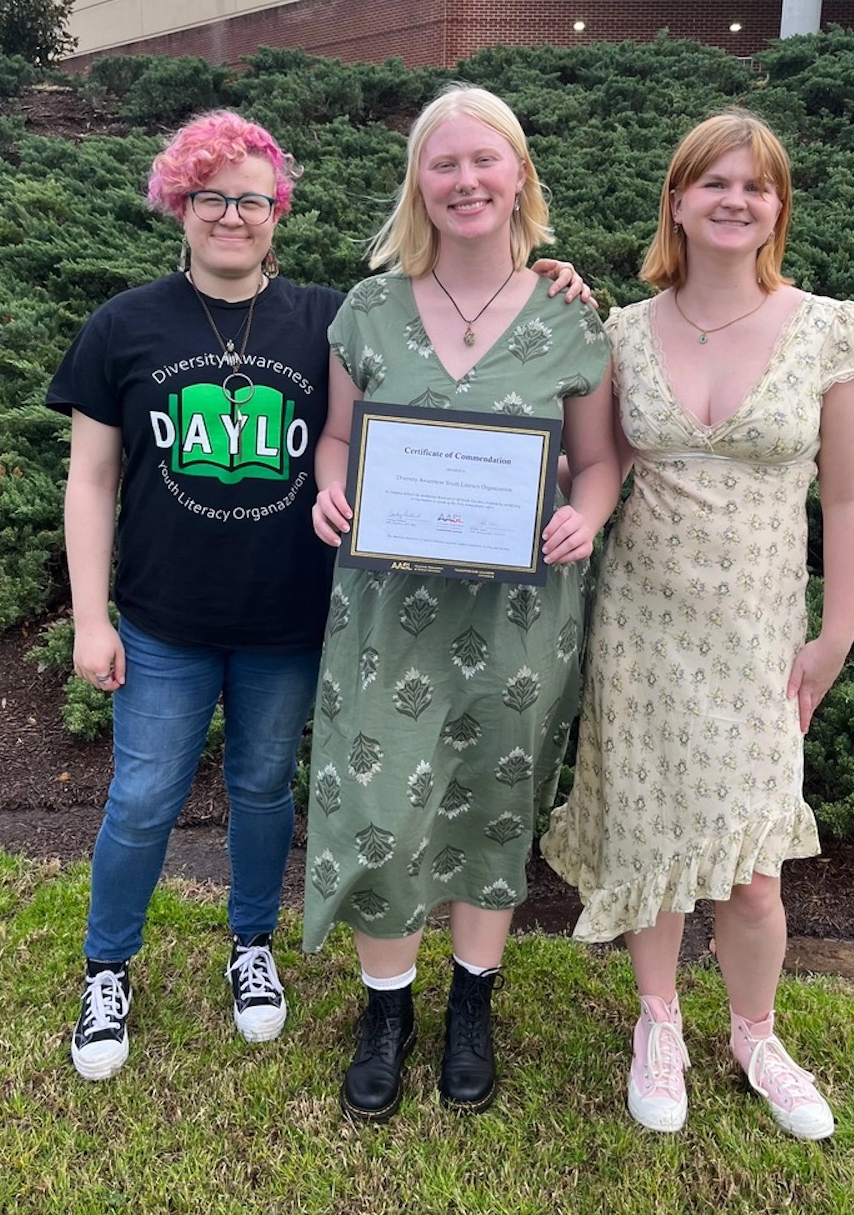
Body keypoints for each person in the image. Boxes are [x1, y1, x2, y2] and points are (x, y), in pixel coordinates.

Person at [46, 108, 590, 1082]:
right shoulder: (123, 325)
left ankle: (251, 944)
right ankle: (107, 965)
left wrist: (552, 275)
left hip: (286, 622)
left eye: (251, 200)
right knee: (142, 797)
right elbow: (89, 479)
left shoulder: (328, 318)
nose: (231, 215)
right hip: (164, 622)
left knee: (263, 791)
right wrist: (91, 616)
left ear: (278, 212)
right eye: (209, 197)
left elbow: (427, 371)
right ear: (176, 202)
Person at [540, 111, 854, 1141]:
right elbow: (591, 467)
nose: (737, 200)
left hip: (758, 642)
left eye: (757, 186)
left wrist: (835, 634)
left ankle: (756, 1035)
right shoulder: (620, 331)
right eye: (715, 183)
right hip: (642, 632)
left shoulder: (830, 328)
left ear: (778, 208)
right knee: (651, 848)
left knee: (754, 873)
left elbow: (850, 497)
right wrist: (544, 310)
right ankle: (659, 1022)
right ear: (677, 202)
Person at [307, 84, 621, 1121]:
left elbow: (598, 461)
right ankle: (387, 1008)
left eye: (485, 160)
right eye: (443, 164)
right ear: (419, 184)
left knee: (492, 797)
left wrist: (586, 515)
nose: (466, 180)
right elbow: (339, 437)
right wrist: (330, 489)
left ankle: (471, 1004)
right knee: (378, 806)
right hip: (386, 612)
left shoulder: (571, 315)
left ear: (519, 174)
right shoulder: (369, 309)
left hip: (518, 619)